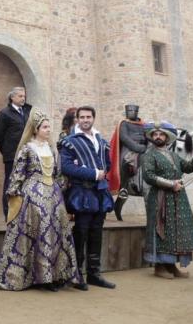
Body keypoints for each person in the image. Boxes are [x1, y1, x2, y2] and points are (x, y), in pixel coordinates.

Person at [0, 109, 81, 291]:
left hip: (54, 196)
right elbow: (17, 174)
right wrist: (14, 194)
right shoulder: (27, 148)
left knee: (56, 232)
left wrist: (64, 185)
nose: (49, 130)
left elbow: (57, 175)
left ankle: (54, 275)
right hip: (32, 195)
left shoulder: (52, 148)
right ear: (35, 129)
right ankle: (38, 277)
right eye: (45, 127)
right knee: (38, 234)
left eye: (49, 127)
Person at [141, 121, 193, 279]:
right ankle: (159, 267)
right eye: (155, 134)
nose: (158, 137)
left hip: (178, 198)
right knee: (162, 231)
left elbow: (188, 167)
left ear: (166, 137)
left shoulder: (173, 155)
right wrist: (172, 184)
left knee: (175, 232)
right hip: (160, 198)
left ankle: (172, 267)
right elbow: (149, 176)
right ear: (152, 138)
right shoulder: (148, 156)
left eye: (161, 134)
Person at [59, 106, 116, 290]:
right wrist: (91, 173)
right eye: (82, 117)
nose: (85, 119)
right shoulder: (69, 142)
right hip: (82, 192)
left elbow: (107, 164)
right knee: (81, 232)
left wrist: (101, 173)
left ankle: (94, 274)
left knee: (96, 232)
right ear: (77, 119)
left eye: (88, 117)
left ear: (93, 118)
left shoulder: (101, 140)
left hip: (100, 192)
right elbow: (66, 168)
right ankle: (77, 275)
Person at [0, 87, 32, 219]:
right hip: (12, 155)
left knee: (25, 183)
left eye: (24, 96)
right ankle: (8, 213)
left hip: (27, 155)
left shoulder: (27, 112)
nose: (23, 98)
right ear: (12, 98)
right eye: (20, 96)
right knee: (11, 183)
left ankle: (23, 212)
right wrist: (7, 151)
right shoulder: (4, 113)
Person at [108, 104, 147, 221]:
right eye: (129, 110)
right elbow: (124, 138)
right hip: (129, 151)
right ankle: (124, 187)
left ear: (137, 112)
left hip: (143, 148)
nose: (131, 112)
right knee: (126, 162)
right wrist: (138, 148)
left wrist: (146, 146)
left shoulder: (143, 124)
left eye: (133, 110)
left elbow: (147, 136)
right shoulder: (123, 124)